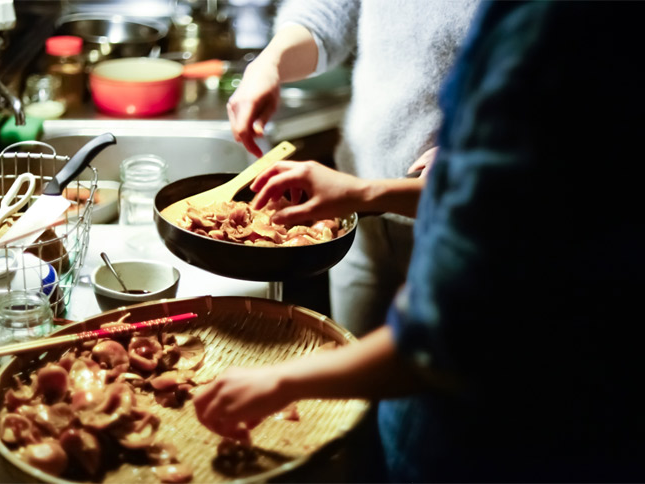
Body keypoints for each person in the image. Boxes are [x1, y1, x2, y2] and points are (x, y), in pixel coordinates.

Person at [195, 1, 645, 481]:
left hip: (497, 395)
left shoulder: (550, 37)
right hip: (364, 213)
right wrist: (270, 62)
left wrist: (283, 380)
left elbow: (447, 334)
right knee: (364, 435)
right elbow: (328, 12)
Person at [227, 0, 479, 336]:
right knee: (354, 371)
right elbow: (326, 13)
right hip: (358, 222)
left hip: (463, 229)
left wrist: (479, 146)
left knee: (445, 378)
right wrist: (269, 63)